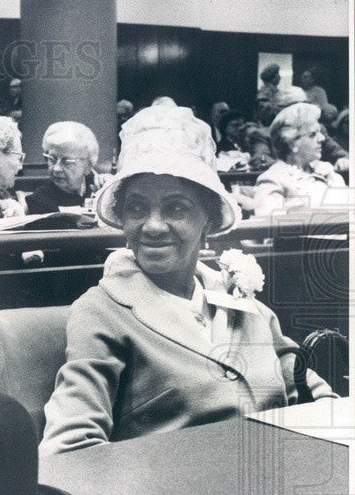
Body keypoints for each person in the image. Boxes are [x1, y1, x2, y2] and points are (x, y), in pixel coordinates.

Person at [40, 105, 334, 455]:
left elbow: (307, 385)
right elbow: (69, 449)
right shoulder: (101, 310)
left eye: (175, 208)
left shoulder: (234, 292)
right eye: (136, 208)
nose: (152, 225)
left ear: (207, 221)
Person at [251, 102, 347, 217]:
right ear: (292, 143)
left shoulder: (327, 171)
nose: (321, 138)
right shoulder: (273, 178)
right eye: (312, 134)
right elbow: (267, 227)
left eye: (320, 133)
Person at [25, 121, 104, 214]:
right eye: (52, 159)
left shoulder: (101, 187)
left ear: (88, 166)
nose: (56, 169)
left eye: (67, 162)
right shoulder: (39, 200)